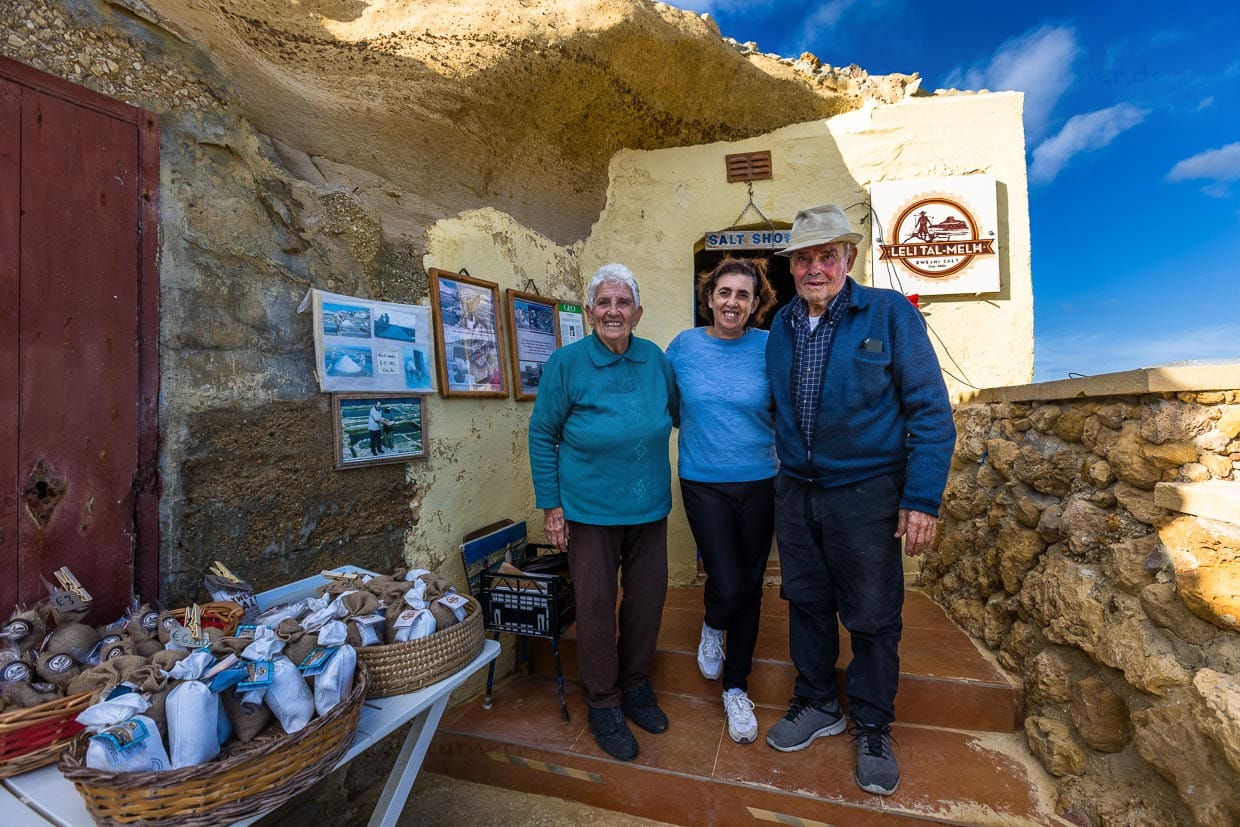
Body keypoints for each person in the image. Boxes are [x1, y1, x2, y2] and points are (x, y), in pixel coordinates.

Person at [764, 204, 955, 796]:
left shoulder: (890, 314)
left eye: (826, 255)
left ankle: (872, 723)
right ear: (791, 267)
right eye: (803, 258)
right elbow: (779, 406)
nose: (814, 267)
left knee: (873, 616)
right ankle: (818, 702)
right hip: (798, 493)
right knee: (807, 602)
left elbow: (930, 411)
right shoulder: (782, 327)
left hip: (868, 494)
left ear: (848, 257)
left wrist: (921, 499)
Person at [528, 263, 679, 762]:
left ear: (638, 311)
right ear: (590, 311)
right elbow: (542, 434)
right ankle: (603, 699)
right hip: (589, 510)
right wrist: (552, 507)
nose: (613, 311)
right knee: (594, 606)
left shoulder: (655, 359)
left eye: (623, 303)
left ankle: (635, 684)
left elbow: (674, 414)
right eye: (604, 302)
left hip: (648, 506)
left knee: (646, 600)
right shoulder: (566, 364)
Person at [665, 257, 777, 745]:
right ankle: (713, 625)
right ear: (709, 298)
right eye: (724, 292)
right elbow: (670, 408)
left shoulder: (771, 347)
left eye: (743, 295)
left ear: (756, 305)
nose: (733, 302)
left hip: (762, 481)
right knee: (727, 582)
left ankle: (736, 687)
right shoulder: (684, 347)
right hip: (703, 480)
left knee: (751, 587)